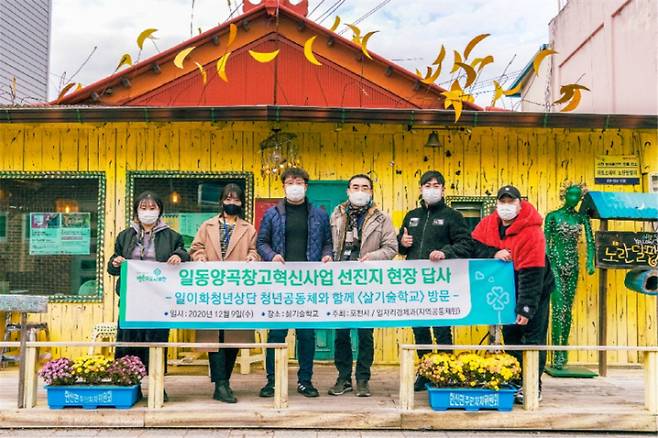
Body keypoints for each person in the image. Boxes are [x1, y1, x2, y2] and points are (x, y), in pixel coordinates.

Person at [471, 185, 554, 403]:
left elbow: (533, 273)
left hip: (535, 288)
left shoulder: (532, 231)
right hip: (506, 290)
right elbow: (472, 246)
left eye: (511, 202)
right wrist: (493, 252)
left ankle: (533, 385)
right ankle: (516, 380)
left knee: (532, 338)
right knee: (512, 337)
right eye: (503, 202)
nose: (506, 206)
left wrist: (526, 307)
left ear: (519, 204)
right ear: (497, 204)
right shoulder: (488, 224)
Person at [257, 167, 333, 398]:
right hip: (280, 284)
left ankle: (305, 381)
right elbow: (262, 242)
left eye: (298, 182)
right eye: (290, 182)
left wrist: (327, 255)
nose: (294, 186)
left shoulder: (319, 214)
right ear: (284, 187)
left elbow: (328, 243)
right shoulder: (272, 214)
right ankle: (272, 381)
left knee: (306, 335)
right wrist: (272, 256)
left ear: (306, 186)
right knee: (277, 334)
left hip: (308, 285)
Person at [108, 191, 190, 401]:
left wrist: (177, 255)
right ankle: (128, 384)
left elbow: (185, 253)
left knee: (156, 342)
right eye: (143, 208)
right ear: (136, 211)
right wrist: (115, 262)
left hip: (159, 299)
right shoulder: (125, 236)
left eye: (152, 208)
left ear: (160, 210)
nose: (148, 212)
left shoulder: (171, 236)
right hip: (131, 299)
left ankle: (156, 385)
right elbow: (112, 266)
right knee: (128, 341)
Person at [397, 170, 472, 392]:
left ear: (443, 189)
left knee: (441, 329)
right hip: (415, 283)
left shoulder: (453, 216)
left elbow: (465, 245)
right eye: (427, 185)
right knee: (419, 328)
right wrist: (403, 243)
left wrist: (445, 252)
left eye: (436, 185)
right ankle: (426, 370)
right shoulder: (412, 215)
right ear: (420, 189)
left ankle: (446, 371)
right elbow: (401, 248)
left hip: (441, 284)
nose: (432, 188)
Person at [327, 174, 398, 398]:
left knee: (365, 333)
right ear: (348, 191)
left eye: (365, 187)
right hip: (340, 282)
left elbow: (391, 248)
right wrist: (328, 257)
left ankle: (363, 378)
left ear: (371, 192)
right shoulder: (336, 214)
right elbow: (327, 243)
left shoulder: (382, 218)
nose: (360, 191)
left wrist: (372, 258)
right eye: (355, 187)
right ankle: (343, 377)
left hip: (368, 284)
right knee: (341, 333)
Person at [189, 184, 259, 403]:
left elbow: (255, 251)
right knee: (214, 335)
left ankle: (224, 382)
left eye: (236, 200)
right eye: (228, 198)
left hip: (237, 290)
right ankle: (221, 384)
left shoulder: (248, 229)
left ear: (241, 203)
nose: (232, 202)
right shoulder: (207, 225)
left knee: (233, 335)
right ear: (221, 201)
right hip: (211, 289)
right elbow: (195, 247)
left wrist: (253, 258)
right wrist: (199, 257)